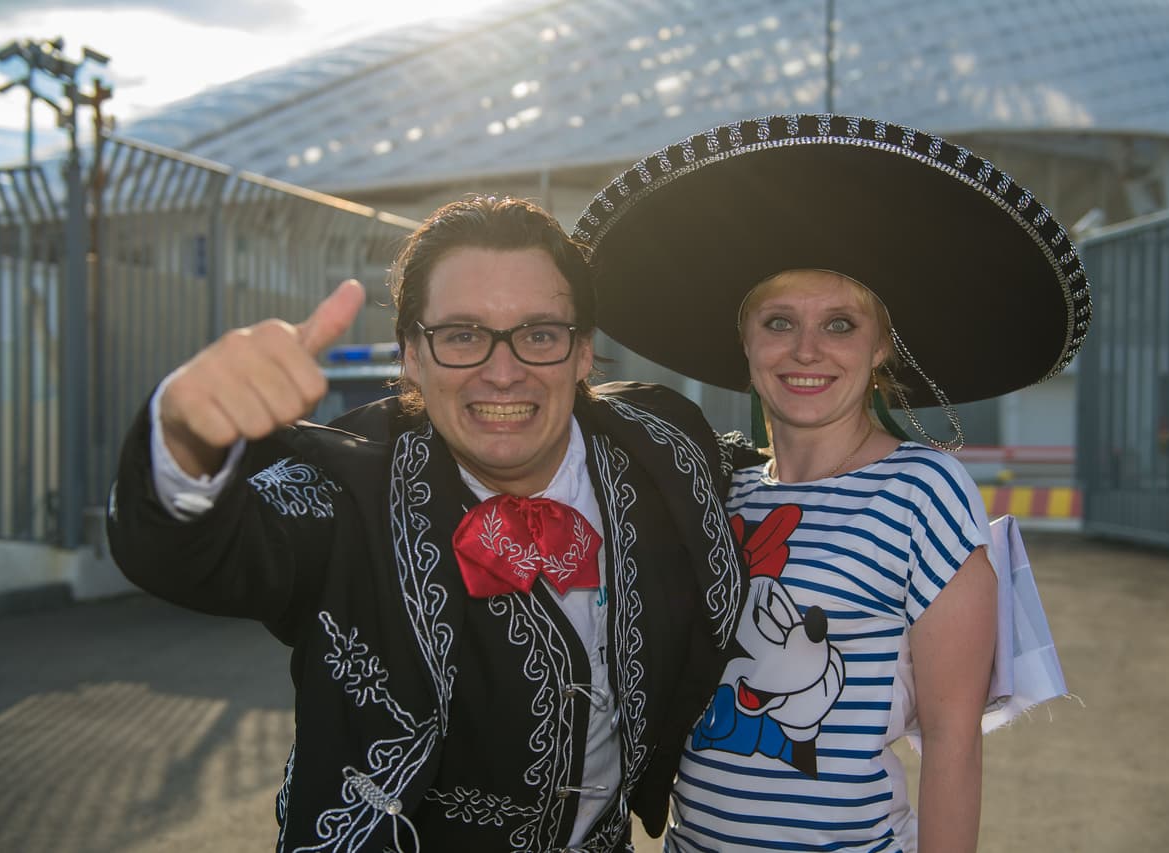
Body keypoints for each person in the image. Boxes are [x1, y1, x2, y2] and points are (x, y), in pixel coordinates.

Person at [106, 195, 748, 852]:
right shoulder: (350, 487)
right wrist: (184, 436)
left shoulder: (661, 445)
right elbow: (193, 552)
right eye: (463, 335)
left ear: (583, 351)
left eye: (539, 334)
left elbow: (759, 472)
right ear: (412, 354)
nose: (503, 373)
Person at [572, 114, 1090, 852]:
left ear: (881, 347)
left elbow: (953, 743)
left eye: (841, 324)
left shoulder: (922, 492)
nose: (807, 350)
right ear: (745, 340)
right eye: (779, 322)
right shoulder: (716, 489)